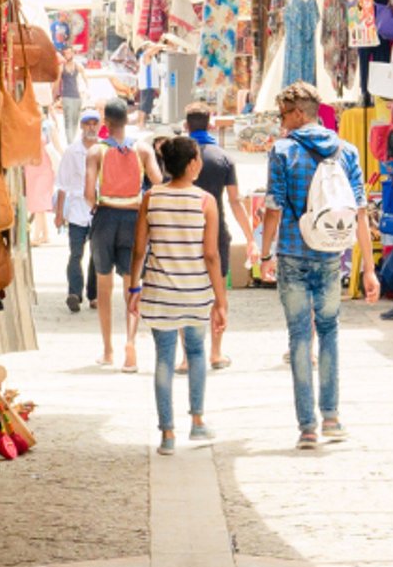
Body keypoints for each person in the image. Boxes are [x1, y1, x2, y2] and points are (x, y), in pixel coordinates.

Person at [258, 81, 378, 449]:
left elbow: (273, 208)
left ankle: (307, 427)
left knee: (298, 338)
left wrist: (265, 255)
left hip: (293, 254)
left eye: (283, 115)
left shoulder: (282, 152)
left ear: (298, 113)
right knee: (329, 333)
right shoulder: (347, 151)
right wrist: (368, 269)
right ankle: (332, 417)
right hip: (330, 254)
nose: (281, 122)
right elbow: (360, 213)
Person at [127, 137, 229, 454]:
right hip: (196, 292)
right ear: (192, 164)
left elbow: (139, 249)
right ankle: (197, 421)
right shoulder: (205, 201)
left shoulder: (151, 197)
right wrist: (221, 299)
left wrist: (134, 287)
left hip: (159, 292)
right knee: (197, 353)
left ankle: (167, 433)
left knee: (163, 359)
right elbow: (211, 255)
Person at [85, 99, 161, 371]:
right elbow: (158, 181)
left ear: (106, 122)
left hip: (105, 217)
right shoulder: (142, 149)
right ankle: (131, 344)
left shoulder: (96, 151)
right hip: (133, 218)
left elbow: (88, 193)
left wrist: (98, 206)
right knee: (133, 286)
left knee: (104, 288)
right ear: (127, 120)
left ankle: (107, 350)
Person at [185, 101, 254, 370]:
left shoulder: (179, 154)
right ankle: (215, 352)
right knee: (217, 292)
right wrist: (250, 237)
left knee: (185, 293)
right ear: (210, 123)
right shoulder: (222, 157)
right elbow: (235, 201)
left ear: (186, 125)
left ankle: (185, 357)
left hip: (184, 232)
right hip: (216, 233)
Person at [55, 108, 101, 313]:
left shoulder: (103, 150)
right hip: (76, 210)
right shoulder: (72, 151)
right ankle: (74, 292)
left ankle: (94, 294)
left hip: (99, 209)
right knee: (76, 253)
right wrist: (59, 213)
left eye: (94, 123)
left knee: (97, 255)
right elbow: (62, 185)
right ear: (81, 126)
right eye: (87, 123)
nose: (91, 127)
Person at [58, 49, 84, 141]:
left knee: (75, 120)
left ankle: (72, 139)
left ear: (73, 53)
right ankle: (70, 142)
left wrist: (85, 92)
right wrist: (56, 96)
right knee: (68, 120)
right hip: (66, 96)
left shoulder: (78, 66)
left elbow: (85, 79)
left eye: (69, 53)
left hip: (77, 96)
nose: (67, 55)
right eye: (66, 53)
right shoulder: (62, 67)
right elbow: (57, 83)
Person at [137, 46, 159, 123]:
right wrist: (163, 45)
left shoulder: (148, 57)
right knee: (145, 106)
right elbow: (155, 49)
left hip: (146, 85)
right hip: (148, 84)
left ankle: (140, 122)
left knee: (143, 105)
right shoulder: (146, 56)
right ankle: (141, 123)